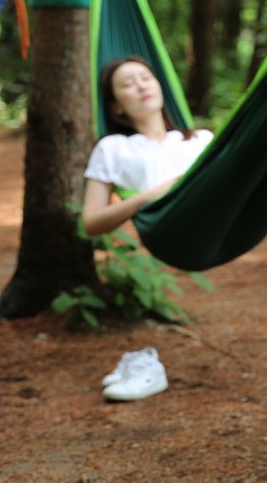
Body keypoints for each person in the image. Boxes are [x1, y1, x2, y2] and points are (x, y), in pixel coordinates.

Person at [82, 56, 213, 401]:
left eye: (145, 78)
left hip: (212, 227)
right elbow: (92, 222)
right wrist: (151, 196)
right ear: (116, 106)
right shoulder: (113, 148)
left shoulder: (200, 140)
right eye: (127, 84)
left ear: (159, 85)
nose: (140, 85)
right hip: (162, 233)